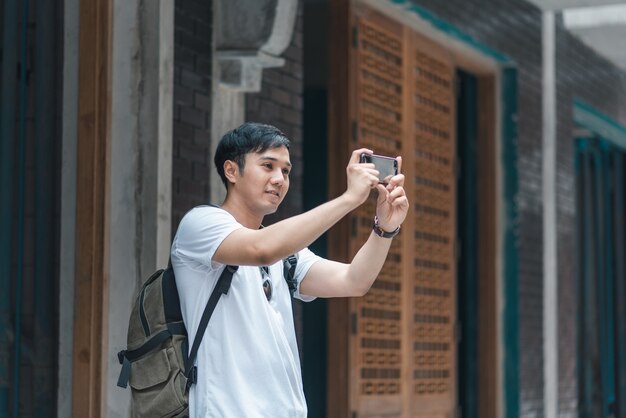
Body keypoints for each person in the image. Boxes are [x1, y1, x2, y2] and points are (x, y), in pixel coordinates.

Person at [170, 122, 409, 417]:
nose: (279, 179)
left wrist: (384, 229)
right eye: (267, 165)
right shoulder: (201, 224)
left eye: (285, 171)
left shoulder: (288, 256)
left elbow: (354, 281)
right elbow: (261, 250)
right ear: (231, 171)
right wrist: (349, 199)